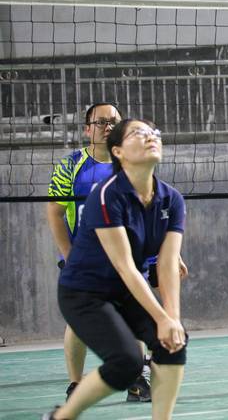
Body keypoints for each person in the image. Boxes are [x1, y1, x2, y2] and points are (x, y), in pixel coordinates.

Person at [45, 119, 187, 420]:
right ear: (118, 151)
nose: (150, 137)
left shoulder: (171, 199)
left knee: (173, 343)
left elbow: (167, 265)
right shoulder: (106, 195)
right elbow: (124, 267)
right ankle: (62, 416)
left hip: (125, 291)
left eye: (154, 133)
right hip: (84, 293)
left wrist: (172, 319)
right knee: (126, 362)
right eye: (139, 133)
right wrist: (162, 318)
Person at [46, 103, 154, 403]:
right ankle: (75, 384)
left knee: (135, 314)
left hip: (126, 257)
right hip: (86, 260)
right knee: (78, 322)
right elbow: (54, 212)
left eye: (114, 122)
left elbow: (146, 210)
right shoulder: (70, 166)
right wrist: (69, 256)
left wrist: (162, 252)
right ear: (87, 129)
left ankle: (137, 381)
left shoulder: (132, 163)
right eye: (101, 122)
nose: (108, 127)